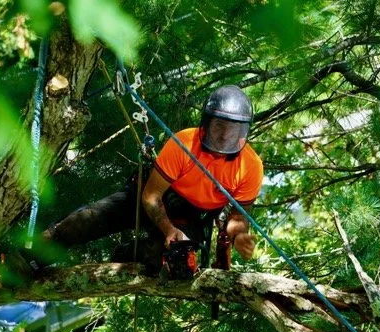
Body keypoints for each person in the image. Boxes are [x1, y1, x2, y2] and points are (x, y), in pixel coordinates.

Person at [38, 85, 264, 275]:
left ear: (243, 131)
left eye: (232, 129)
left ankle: (128, 254)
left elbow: (237, 216)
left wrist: (238, 234)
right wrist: (168, 229)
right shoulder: (185, 143)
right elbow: (151, 195)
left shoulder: (250, 166)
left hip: (190, 217)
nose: (225, 136)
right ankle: (31, 255)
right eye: (219, 127)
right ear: (207, 123)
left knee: (175, 262)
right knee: (86, 220)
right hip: (152, 195)